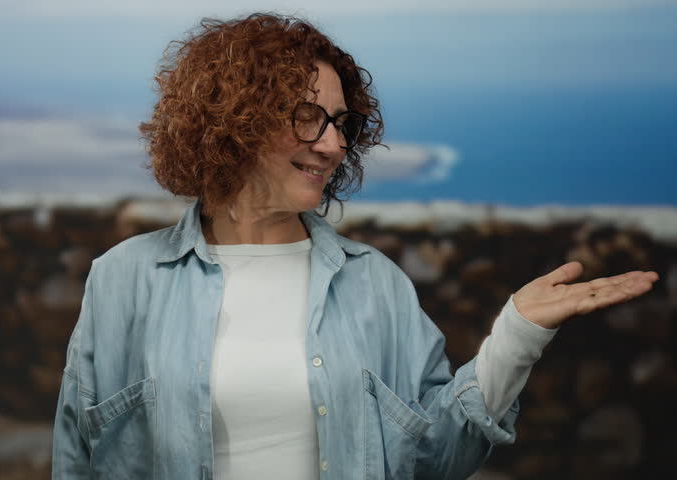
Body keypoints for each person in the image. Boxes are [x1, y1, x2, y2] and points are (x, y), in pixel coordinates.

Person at [51, 13, 659, 480]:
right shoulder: (124, 279)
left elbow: (440, 457)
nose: (333, 145)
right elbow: (76, 456)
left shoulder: (374, 283)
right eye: (307, 116)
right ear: (231, 120)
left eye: (340, 123)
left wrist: (517, 335)